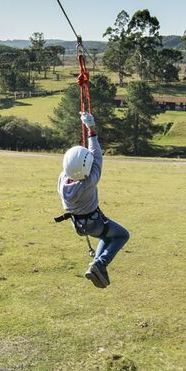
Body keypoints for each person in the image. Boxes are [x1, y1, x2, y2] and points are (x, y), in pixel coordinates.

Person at [56, 111, 131, 289]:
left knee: (106, 237)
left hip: (79, 225)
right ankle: (101, 263)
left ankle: (96, 266)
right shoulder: (89, 181)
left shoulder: (62, 180)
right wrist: (91, 128)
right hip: (94, 222)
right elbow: (96, 155)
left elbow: (81, 163)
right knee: (122, 235)